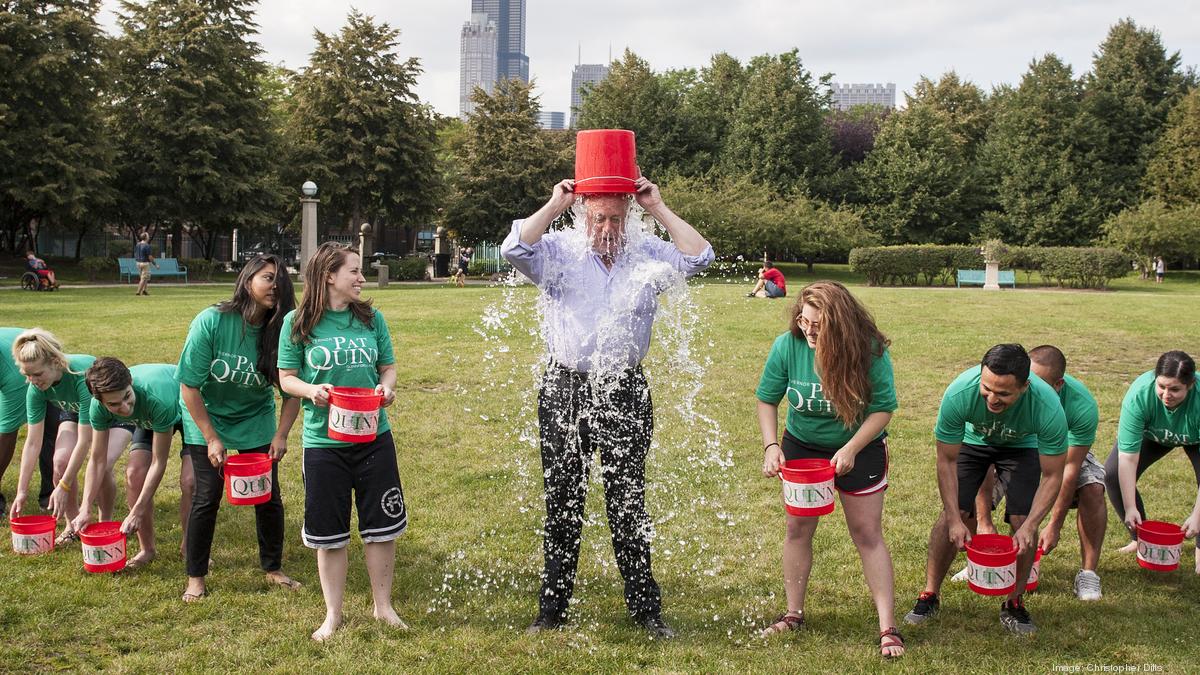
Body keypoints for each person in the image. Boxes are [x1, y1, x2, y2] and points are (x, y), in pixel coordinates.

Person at [501, 176, 713, 638]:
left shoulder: (648, 254)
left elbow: (700, 256)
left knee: (629, 502)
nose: (608, 228)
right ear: (585, 217)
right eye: (599, 218)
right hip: (566, 388)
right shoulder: (559, 252)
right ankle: (551, 610)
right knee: (562, 501)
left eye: (617, 218)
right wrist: (557, 203)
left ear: (628, 217)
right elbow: (513, 249)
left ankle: (645, 610)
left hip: (626, 390)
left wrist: (656, 206)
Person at [755, 281, 903, 657]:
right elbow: (767, 399)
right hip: (803, 446)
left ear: (841, 323)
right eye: (804, 321)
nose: (809, 330)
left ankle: (888, 628)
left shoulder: (869, 351)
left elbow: (883, 408)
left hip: (861, 447)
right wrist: (772, 445)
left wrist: (852, 447)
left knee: (866, 532)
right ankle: (793, 615)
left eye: (819, 324)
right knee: (797, 528)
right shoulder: (787, 346)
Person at [279, 243, 406, 641]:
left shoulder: (371, 318)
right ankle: (333, 614)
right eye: (354, 271)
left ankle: (382, 607)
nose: (361, 278)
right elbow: (286, 378)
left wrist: (386, 389)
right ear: (328, 276)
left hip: (374, 438)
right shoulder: (297, 323)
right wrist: (311, 390)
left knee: (380, 527)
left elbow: (387, 367)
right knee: (329, 533)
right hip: (323, 444)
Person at [903, 344, 1067, 635]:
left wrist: (1032, 524)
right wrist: (955, 518)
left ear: (1025, 387)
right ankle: (930, 594)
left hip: (1022, 446)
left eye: (1004, 393)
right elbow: (947, 459)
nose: (992, 398)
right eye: (987, 388)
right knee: (953, 515)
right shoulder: (960, 392)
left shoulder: (1047, 406)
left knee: (1021, 521)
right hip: (973, 443)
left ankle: (1014, 603)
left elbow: (1054, 475)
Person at [179, 254, 301, 603]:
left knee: (267, 496)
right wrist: (211, 438)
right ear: (247, 280)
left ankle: (273, 568)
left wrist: (280, 434)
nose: (274, 285)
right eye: (266, 277)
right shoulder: (212, 321)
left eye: (280, 279)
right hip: (207, 415)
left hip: (254, 417)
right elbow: (189, 386)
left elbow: (291, 389)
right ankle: (196, 578)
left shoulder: (280, 332)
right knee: (207, 496)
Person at [953, 345, 1105, 600]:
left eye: (1041, 383)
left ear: (1058, 385)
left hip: (1057, 456)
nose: (1033, 389)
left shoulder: (1081, 406)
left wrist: (1054, 525)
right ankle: (977, 562)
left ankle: (1088, 574)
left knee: (1093, 487)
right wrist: (984, 522)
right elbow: (983, 453)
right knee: (965, 495)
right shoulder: (1005, 392)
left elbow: (1068, 469)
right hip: (1012, 445)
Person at [6, 329, 133, 543]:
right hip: (75, 409)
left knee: (103, 464)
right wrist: (21, 491)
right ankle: (73, 525)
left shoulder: (80, 377)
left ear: (55, 362)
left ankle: (104, 523)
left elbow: (85, 441)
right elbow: (32, 442)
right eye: (27, 375)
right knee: (60, 462)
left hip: (112, 407)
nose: (32, 381)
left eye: (37, 374)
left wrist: (63, 486)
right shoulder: (36, 388)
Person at [72, 359, 185, 571]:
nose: (124, 408)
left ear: (130, 382)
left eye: (126, 397)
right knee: (134, 474)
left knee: (190, 481)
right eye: (114, 404)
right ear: (100, 401)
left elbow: (159, 462)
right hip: (149, 417)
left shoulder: (156, 399)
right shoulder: (97, 408)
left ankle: (189, 546)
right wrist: (85, 506)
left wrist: (137, 511)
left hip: (180, 406)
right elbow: (97, 460)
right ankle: (147, 549)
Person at [1104, 351, 1200, 573]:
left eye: (1175, 389)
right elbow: (1127, 458)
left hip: (1195, 438)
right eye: (1162, 386)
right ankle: (1140, 540)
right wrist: (1130, 507)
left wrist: (1197, 516)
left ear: (1191, 385)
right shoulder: (1140, 395)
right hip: (1153, 435)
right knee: (1111, 473)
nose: (1167, 394)